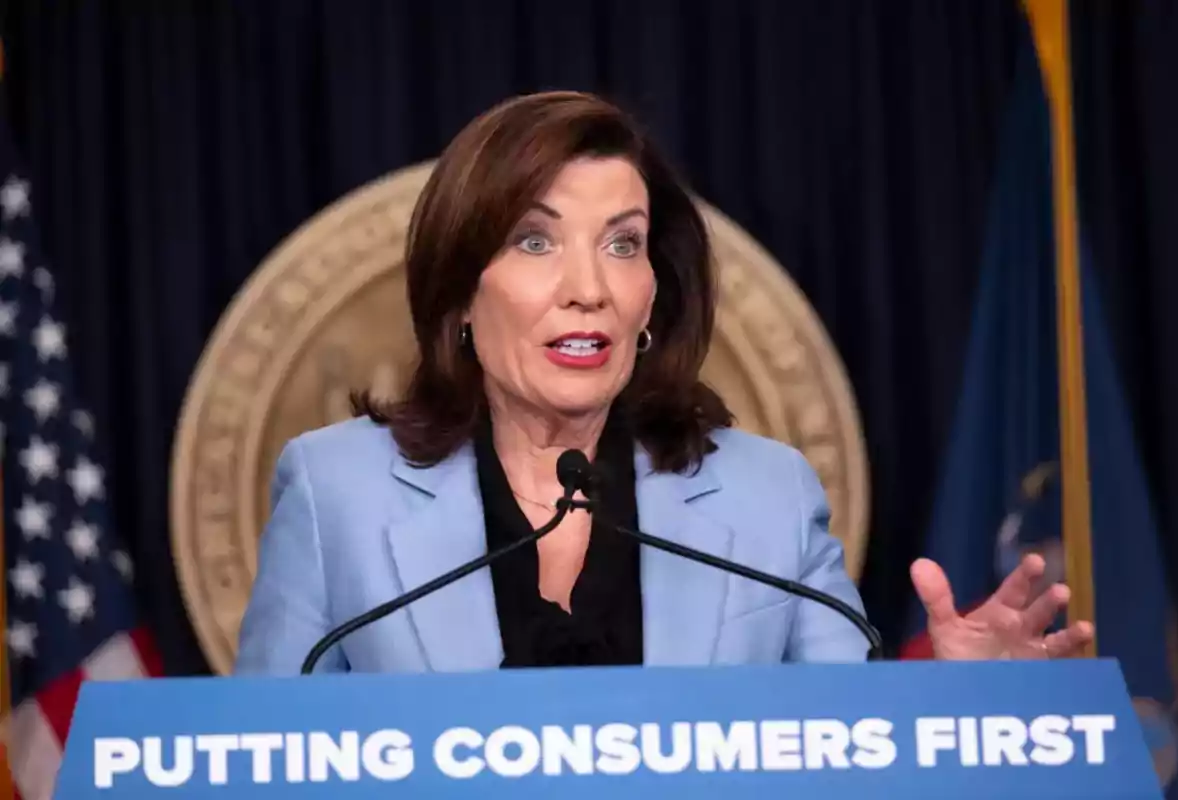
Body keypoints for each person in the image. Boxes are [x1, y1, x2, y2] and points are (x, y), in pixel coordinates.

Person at [234, 90, 1094, 674]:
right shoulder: (333, 491)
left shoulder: (768, 498)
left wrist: (950, 706)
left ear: (653, 297)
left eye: (622, 243)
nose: (590, 287)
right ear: (460, 288)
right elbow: (260, 769)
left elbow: (846, 747)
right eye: (536, 241)